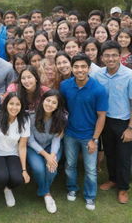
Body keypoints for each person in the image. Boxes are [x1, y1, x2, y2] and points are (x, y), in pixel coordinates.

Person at [60, 53, 108, 211]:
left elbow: (101, 117)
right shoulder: (65, 86)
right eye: (76, 67)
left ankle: (90, 196)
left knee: (91, 169)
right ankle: (72, 188)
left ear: (89, 68)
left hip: (89, 136)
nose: (79, 70)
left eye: (83, 67)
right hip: (70, 134)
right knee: (70, 165)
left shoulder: (99, 90)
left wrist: (94, 139)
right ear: (72, 68)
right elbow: (63, 109)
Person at [94, 40, 132, 204]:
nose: (110, 59)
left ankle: (123, 188)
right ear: (102, 57)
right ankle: (113, 179)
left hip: (123, 122)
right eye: (107, 56)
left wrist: (130, 128)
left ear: (119, 57)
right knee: (110, 153)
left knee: (124, 157)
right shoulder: (98, 74)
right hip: (104, 120)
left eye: (114, 55)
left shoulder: (129, 75)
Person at [0, 92, 30, 207]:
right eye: (11, 103)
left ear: (21, 106)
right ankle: (4, 185)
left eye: (17, 104)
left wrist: (24, 170)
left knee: (18, 179)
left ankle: (8, 189)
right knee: (1, 178)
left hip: (13, 153)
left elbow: (22, 146)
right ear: (5, 104)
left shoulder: (25, 120)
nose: (14, 107)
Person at [27, 90, 66, 213]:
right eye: (48, 100)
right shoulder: (31, 116)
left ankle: (43, 191)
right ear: (43, 100)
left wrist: (52, 155)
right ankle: (47, 194)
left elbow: (56, 139)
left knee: (51, 169)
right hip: (34, 147)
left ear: (58, 106)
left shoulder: (62, 118)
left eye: (54, 103)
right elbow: (30, 141)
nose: (50, 104)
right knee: (39, 169)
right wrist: (46, 156)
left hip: (51, 147)